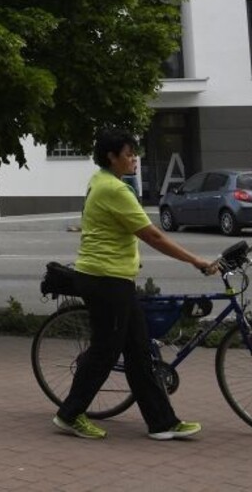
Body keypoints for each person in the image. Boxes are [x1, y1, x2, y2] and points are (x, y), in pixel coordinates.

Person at [53, 128, 216, 440]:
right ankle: (69, 414)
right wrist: (194, 260)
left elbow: (114, 229)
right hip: (106, 280)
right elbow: (152, 235)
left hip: (112, 277)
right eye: (128, 154)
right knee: (104, 351)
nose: (134, 159)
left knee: (140, 354)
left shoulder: (101, 180)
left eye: (134, 152)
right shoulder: (115, 189)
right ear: (111, 157)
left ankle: (162, 423)